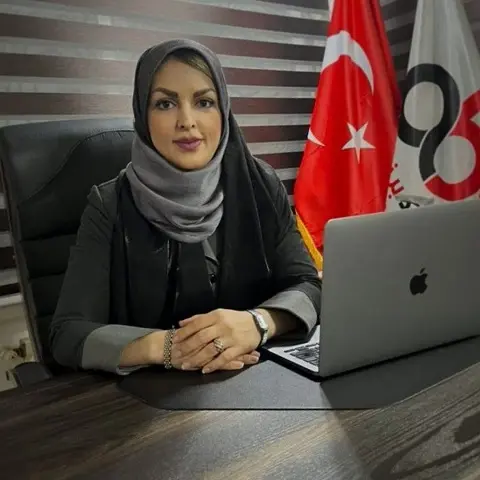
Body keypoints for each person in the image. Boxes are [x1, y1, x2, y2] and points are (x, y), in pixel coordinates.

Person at [49, 39, 322, 375]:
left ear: (223, 110)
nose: (187, 121)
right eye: (165, 104)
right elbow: (68, 333)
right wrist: (169, 347)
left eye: (204, 102)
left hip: (257, 380)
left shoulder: (261, 185)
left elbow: (309, 285)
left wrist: (259, 323)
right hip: (150, 396)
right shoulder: (110, 204)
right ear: (143, 115)